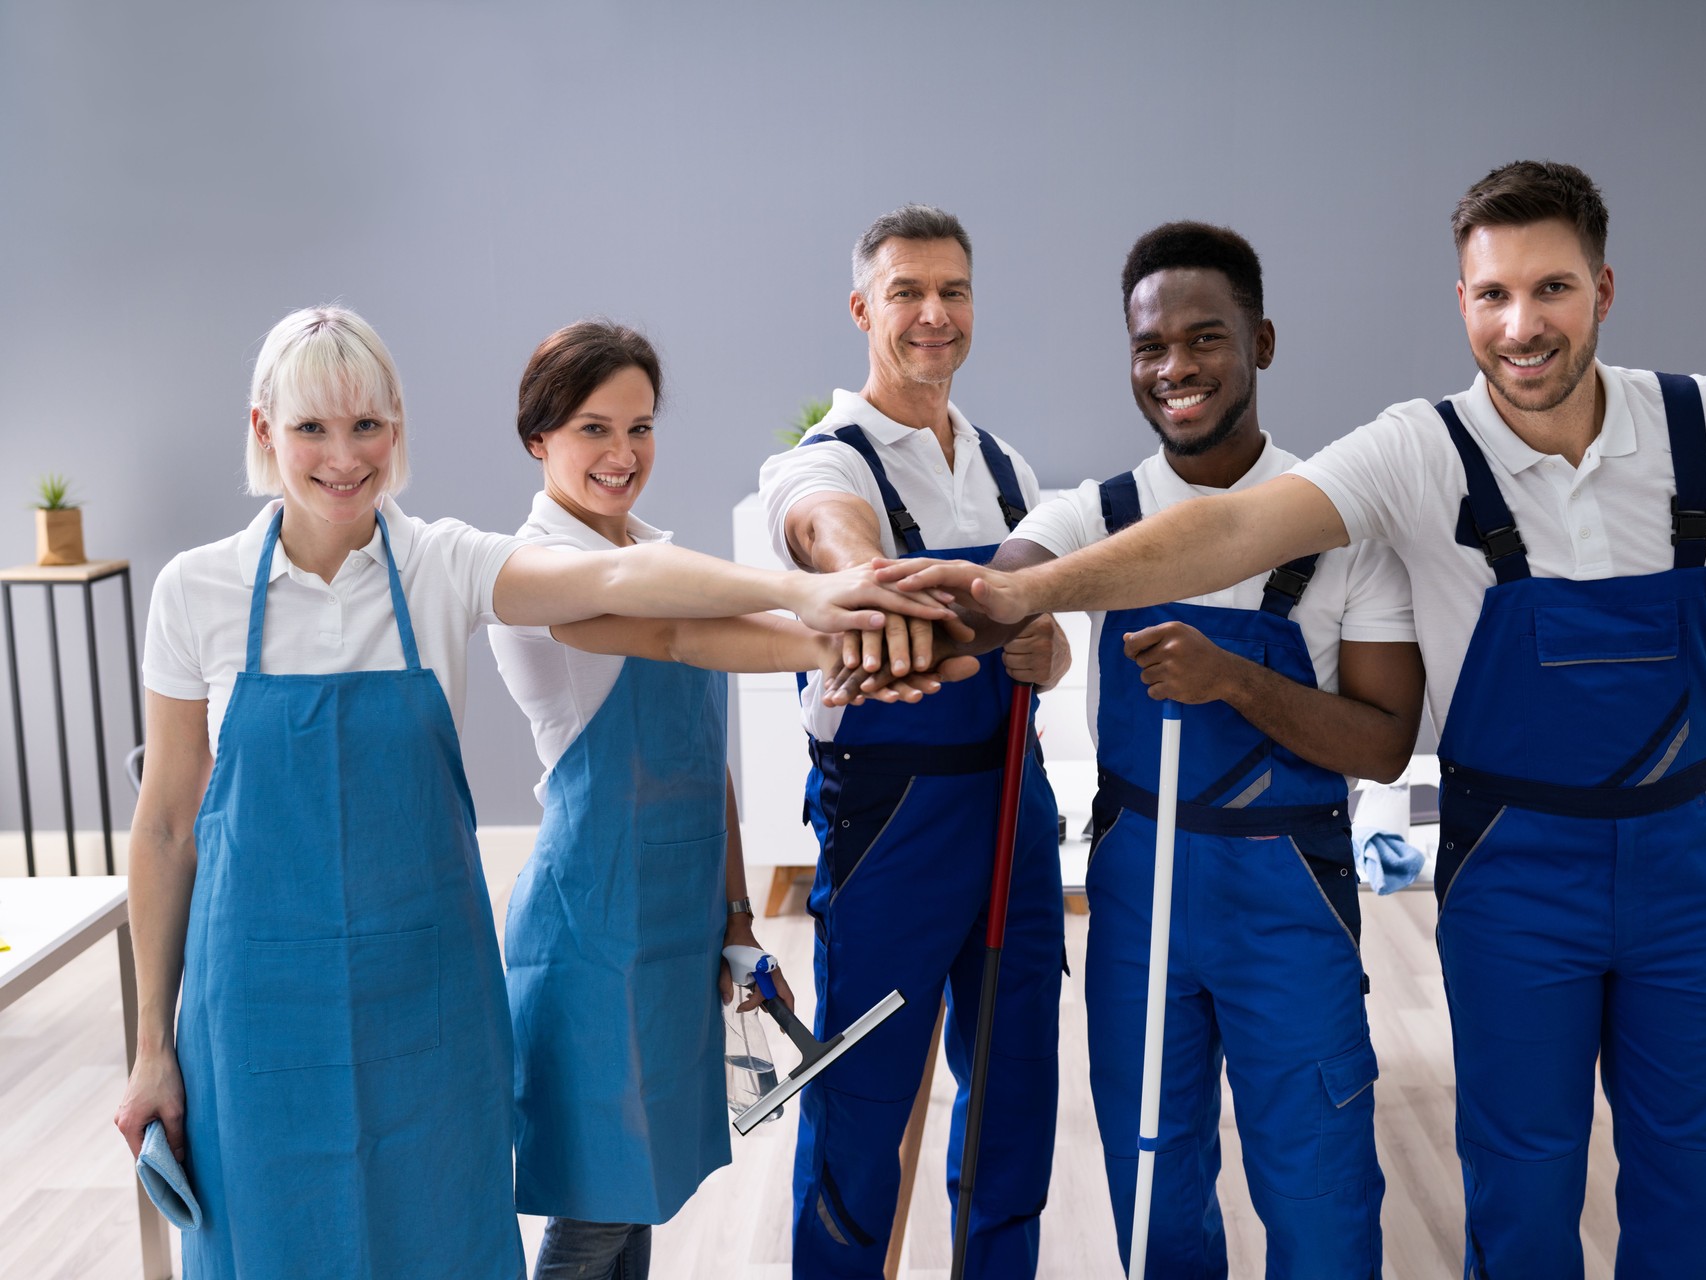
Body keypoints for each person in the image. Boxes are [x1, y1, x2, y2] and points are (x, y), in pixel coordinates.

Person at [882, 162, 1706, 1280]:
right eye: (1492, 296)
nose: (1522, 325)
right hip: (1507, 870)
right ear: (1461, 302)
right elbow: (1227, 533)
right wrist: (1010, 597)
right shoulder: (1416, 452)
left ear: (1603, 290)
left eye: (1552, 289)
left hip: (1682, 865)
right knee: (1517, 1184)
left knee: (1694, 1176)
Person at [110, 305, 951, 1280]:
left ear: (398, 430)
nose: (343, 455)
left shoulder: (444, 564)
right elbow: (168, 825)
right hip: (253, 1002)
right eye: (311, 428)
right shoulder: (194, 590)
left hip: (428, 997)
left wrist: (820, 616)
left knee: (447, 1238)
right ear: (264, 430)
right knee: (269, 1242)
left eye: (367, 425)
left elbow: (634, 580)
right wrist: (149, 1046)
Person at [490, 319, 972, 1280]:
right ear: (538, 438)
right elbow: (678, 635)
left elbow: (704, 762)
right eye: (593, 429)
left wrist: (739, 916)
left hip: (671, 918)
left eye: (640, 427)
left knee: (642, 1198)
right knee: (596, 1208)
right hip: (589, 927)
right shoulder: (534, 571)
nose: (623, 455)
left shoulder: (662, 548)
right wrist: (841, 636)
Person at [996, 222, 1421, 1277]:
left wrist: (1236, 678)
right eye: (1150, 347)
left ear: (1262, 342)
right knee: (1154, 1186)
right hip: (1141, 887)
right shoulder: (1094, 515)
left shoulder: (1340, 527)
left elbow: (1386, 739)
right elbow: (1004, 582)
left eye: (1206, 338)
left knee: (1320, 1193)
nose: (1175, 368)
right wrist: (1020, 620)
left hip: (1290, 896)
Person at [757, 204, 1068, 1279]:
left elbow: (1043, 622)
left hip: (1016, 817)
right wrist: (864, 572)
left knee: (1017, 1098)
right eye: (906, 292)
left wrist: (1049, 649)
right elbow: (828, 530)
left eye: (953, 291)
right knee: (862, 1105)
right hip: (892, 829)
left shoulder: (1005, 466)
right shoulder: (816, 461)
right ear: (862, 308)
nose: (934, 314)